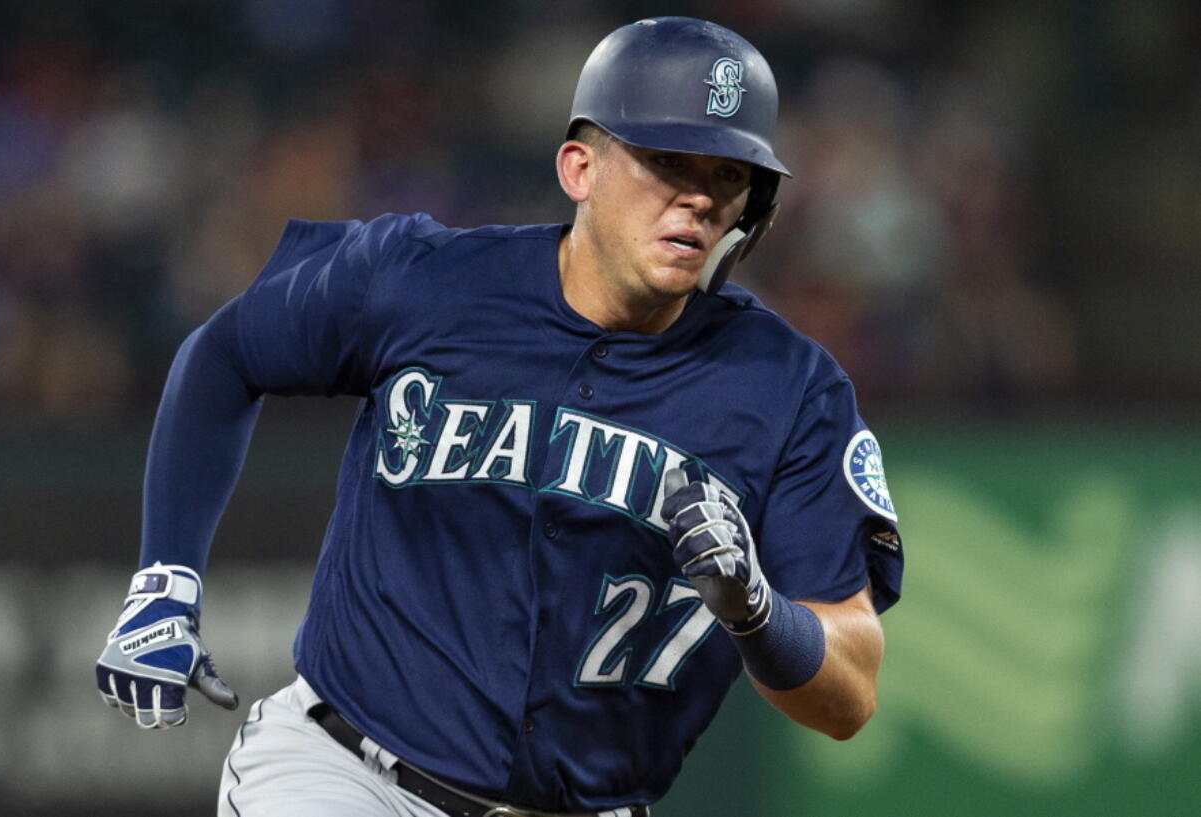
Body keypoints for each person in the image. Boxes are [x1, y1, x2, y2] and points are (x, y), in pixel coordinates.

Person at [96, 17, 903, 817]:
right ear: (579, 167)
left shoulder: (789, 389)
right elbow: (225, 351)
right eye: (665, 161)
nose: (697, 195)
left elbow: (852, 691)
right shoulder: (423, 282)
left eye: (728, 175)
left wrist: (761, 615)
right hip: (347, 776)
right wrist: (166, 575)